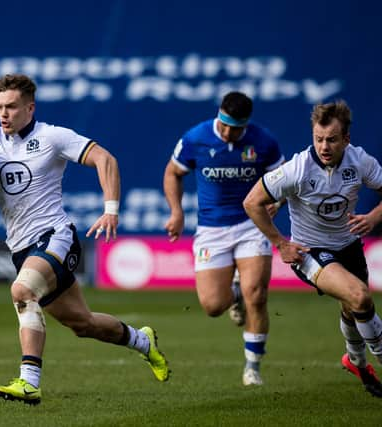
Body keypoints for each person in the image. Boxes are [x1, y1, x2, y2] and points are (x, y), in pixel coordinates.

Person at [0, 74, 169, 405]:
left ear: (30, 108)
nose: (4, 114)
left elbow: (105, 160)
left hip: (56, 236)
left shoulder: (53, 137)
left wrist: (111, 209)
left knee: (22, 291)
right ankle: (143, 341)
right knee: (83, 323)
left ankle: (29, 381)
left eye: (12, 107)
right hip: (21, 249)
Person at [243, 100, 382, 397]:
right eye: (318, 139)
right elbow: (251, 202)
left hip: (349, 246)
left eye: (331, 139)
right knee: (360, 296)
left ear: (346, 139)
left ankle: (356, 362)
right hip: (310, 252)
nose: (324, 146)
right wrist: (281, 243)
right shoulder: (297, 169)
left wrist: (373, 217)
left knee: (353, 308)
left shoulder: (360, 162)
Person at [163, 91, 284, 386]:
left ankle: (252, 367)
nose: (229, 133)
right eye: (225, 124)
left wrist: (277, 201)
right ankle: (235, 294)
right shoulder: (196, 138)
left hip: (251, 224)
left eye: (237, 127)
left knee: (257, 292)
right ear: (218, 115)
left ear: (247, 124)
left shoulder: (263, 141)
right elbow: (172, 173)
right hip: (212, 229)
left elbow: (284, 177)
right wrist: (176, 212)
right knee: (212, 305)